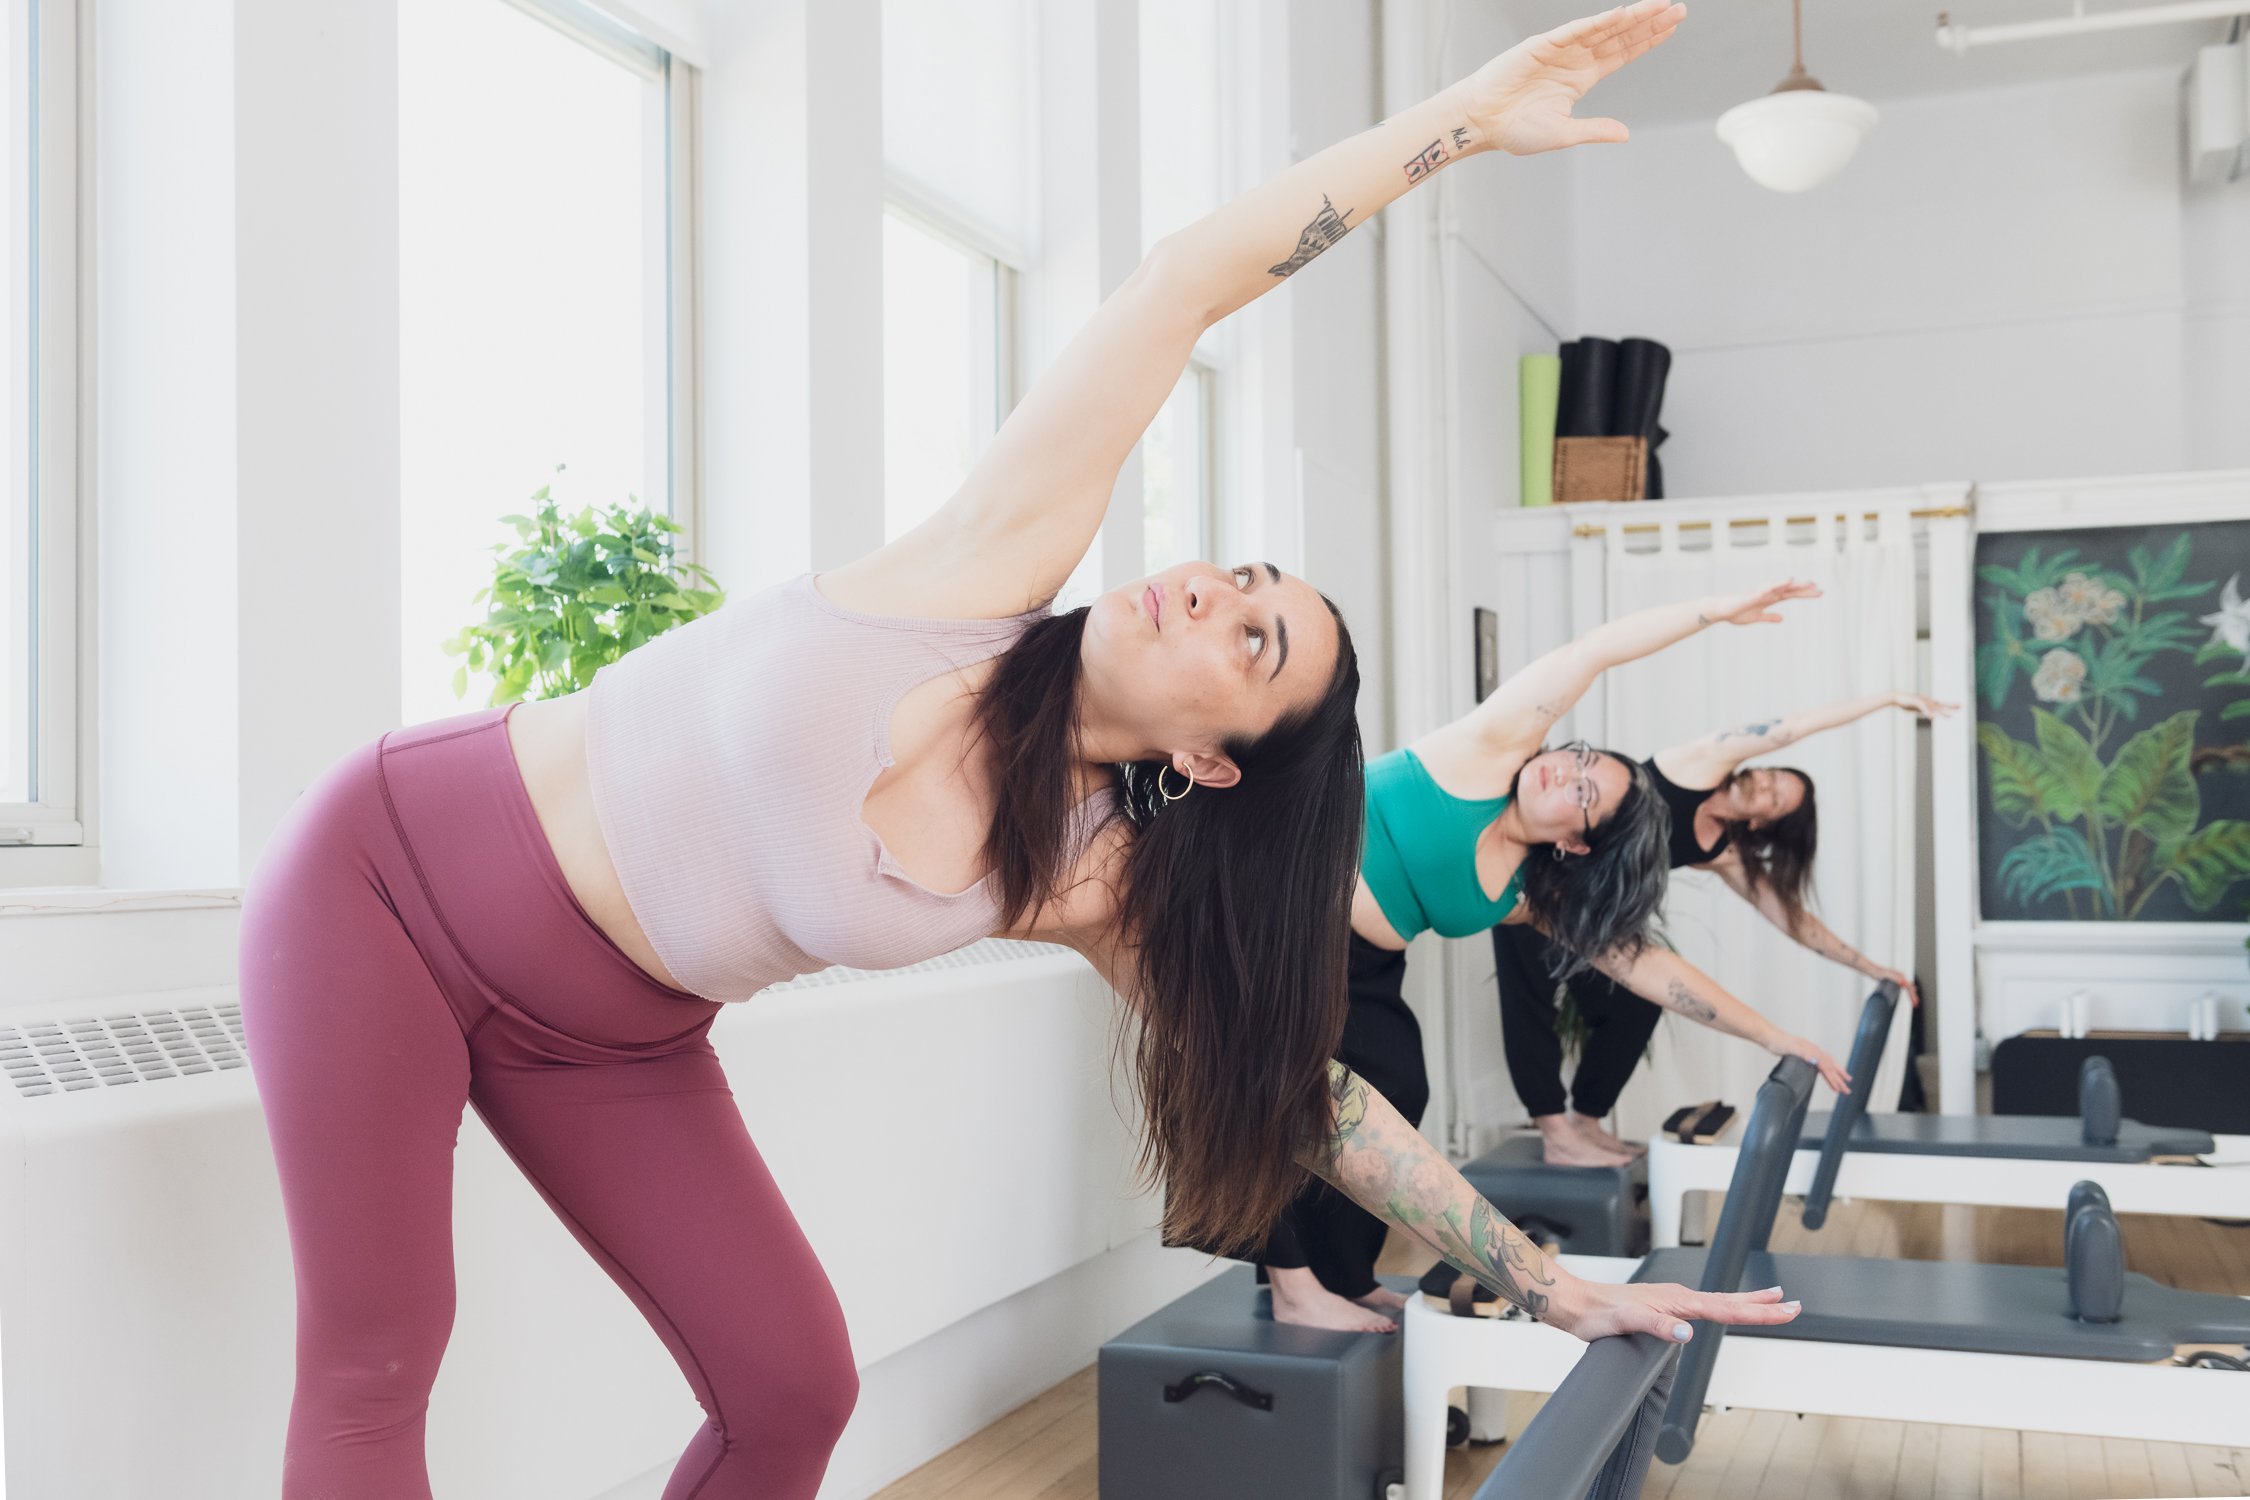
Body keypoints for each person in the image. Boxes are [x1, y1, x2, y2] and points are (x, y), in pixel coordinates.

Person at [238, 4, 1792, 1496]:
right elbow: (1184, 282)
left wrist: (1546, 1280)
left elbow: (1304, 1099)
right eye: (1242, 577)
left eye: (1254, 644)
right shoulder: (979, 585)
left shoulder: (1098, 874)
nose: (1216, 594)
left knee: (792, 1387)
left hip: (614, 1035)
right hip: (386, 886)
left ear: (1222, 761)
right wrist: (1458, 123)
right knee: (380, 1363)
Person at [1257, 581, 1852, 1332]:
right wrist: (1714, 611)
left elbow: (1648, 967)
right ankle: (1292, 1285)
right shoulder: (1485, 757)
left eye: (1583, 795)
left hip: (1363, 966)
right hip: (1277, 917)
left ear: (1576, 843)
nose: (1561, 773)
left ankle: (1346, 1275)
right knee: (1282, 1091)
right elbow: (1591, 652)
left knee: (1399, 1091)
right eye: (1578, 760)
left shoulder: (1525, 888)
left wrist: (1778, 1036)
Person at [1496, 690, 1955, 1167]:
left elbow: (1795, 922)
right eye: (1773, 775)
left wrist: (1872, 966)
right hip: (1535, 872)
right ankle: (1554, 1133)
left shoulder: (1719, 850)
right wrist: (1884, 700)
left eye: (1775, 798)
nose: (1763, 783)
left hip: (1583, 911)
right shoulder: (1700, 766)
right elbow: (1791, 724)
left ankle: (1585, 1125)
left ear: (1762, 824)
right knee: (1528, 995)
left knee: (1635, 1006)